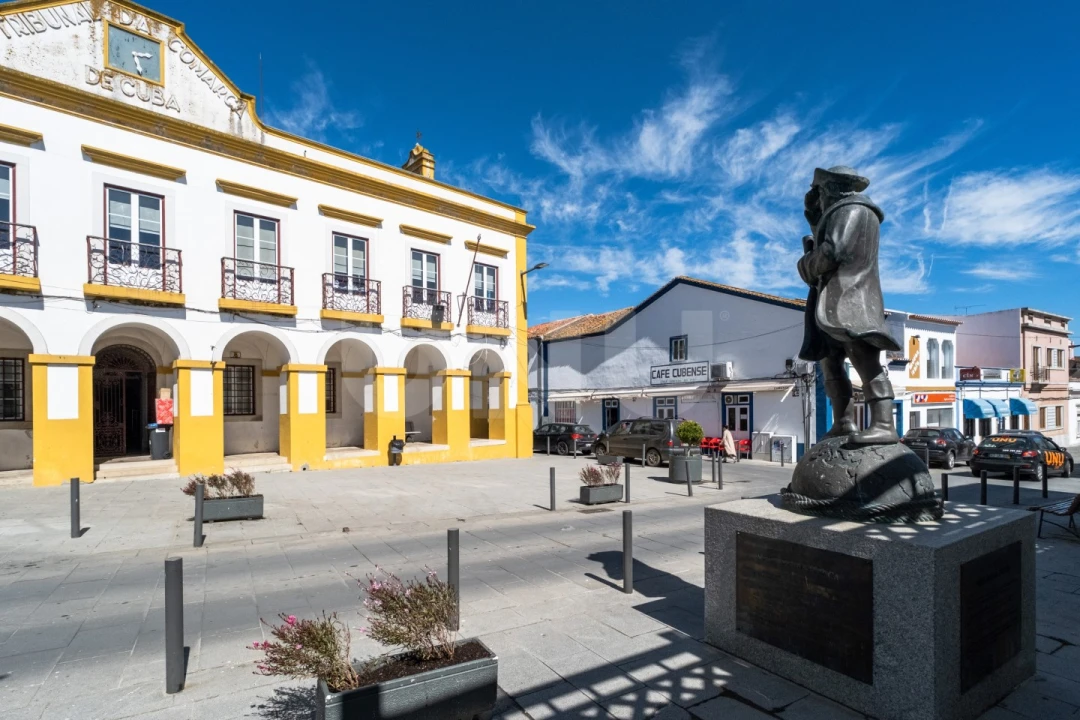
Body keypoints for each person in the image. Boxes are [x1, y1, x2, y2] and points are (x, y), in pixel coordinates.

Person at [797, 166, 901, 445]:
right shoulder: (840, 213)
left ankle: (883, 424)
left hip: (850, 298)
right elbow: (828, 240)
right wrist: (814, 220)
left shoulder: (852, 210)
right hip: (832, 301)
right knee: (830, 363)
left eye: (817, 192)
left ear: (829, 190)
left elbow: (833, 251)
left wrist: (805, 264)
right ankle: (844, 422)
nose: (815, 198)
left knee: (864, 360)